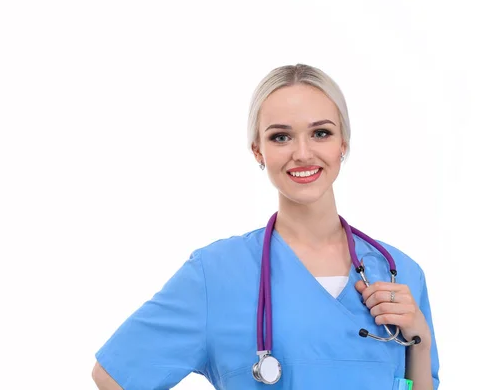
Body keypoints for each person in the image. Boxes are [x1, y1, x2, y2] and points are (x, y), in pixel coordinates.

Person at [91, 63, 440, 389]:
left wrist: (419, 341)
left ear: (343, 144)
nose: (303, 153)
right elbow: (113, 376)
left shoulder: (400, 273)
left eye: (321, 133)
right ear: (258, 151)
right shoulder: (216, 274)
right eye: (281, 137)